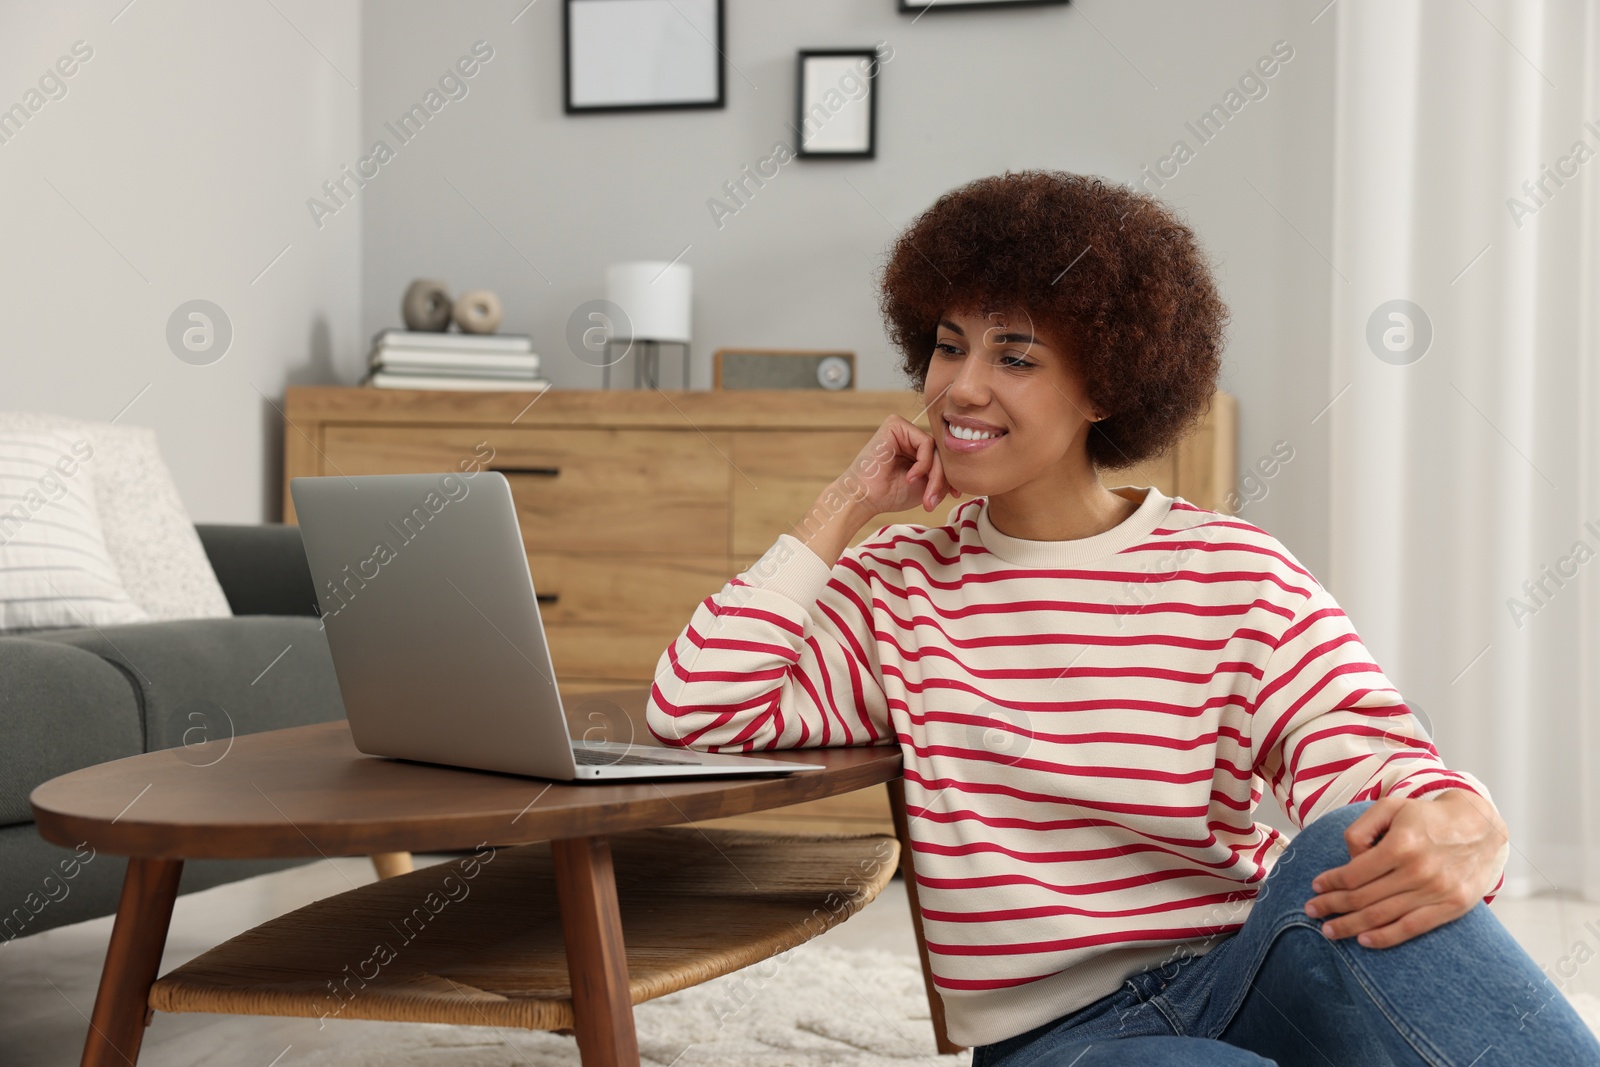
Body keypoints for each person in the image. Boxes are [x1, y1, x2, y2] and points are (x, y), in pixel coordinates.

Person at [644, 171, 1600, 1065]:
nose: (961, 387)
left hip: (1248, 967)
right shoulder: (898, 584)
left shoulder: (1234, 570)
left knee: (1350, 841)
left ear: (1104, 385)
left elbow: (1358, 750)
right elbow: (698, 709)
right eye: (948, 343)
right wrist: (844, 502)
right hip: (1061, 1040)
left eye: (1014, 354)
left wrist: (1457, 815)